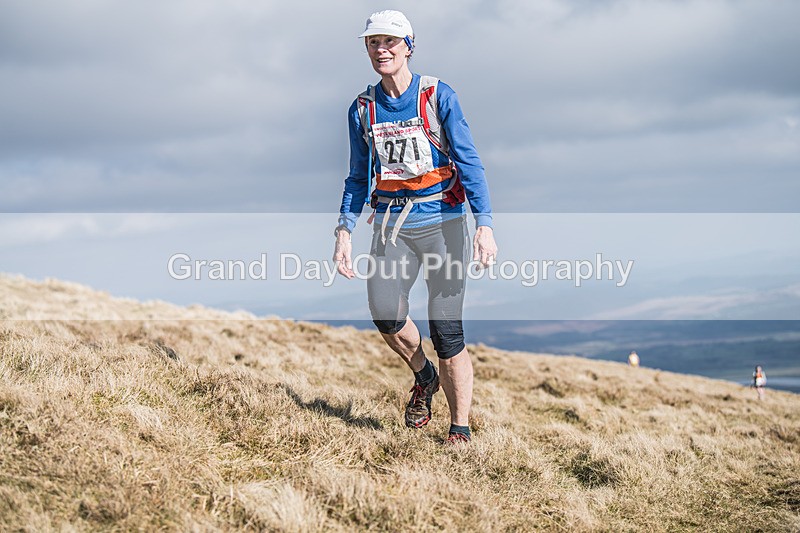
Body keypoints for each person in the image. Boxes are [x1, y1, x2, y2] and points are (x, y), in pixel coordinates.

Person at [333, 10, 497, 445]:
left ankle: (459, 428)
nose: (381, 50)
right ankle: (424, 377)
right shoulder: (362, 109)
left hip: (443, 223)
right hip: (391, 227)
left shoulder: (438, 95)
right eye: (373, 43)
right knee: (386, 315)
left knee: (447, 330)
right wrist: (344, 230)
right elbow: (356, 175)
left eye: (389, 42)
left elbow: (469, 161)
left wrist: (485, 224)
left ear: (409, 45)